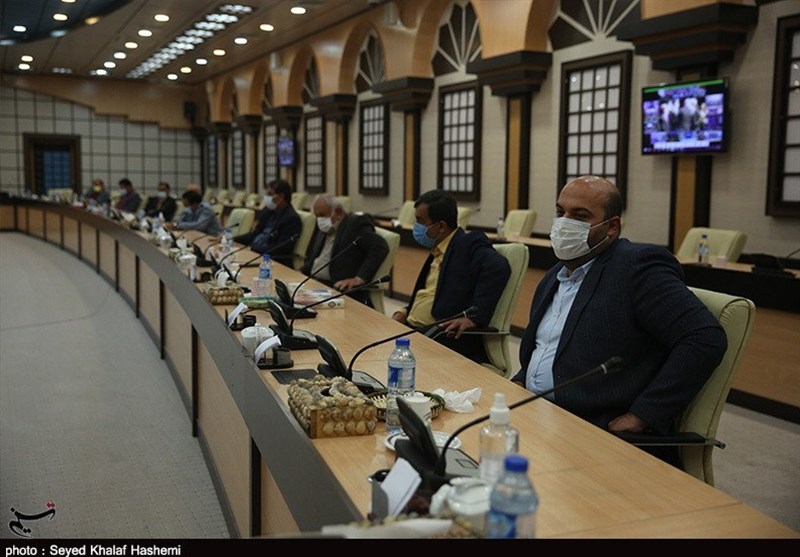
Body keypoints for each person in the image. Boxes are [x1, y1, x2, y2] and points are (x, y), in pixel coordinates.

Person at [511, 175, 727, 466]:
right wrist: (520, 383)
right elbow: (546, 346)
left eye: (580, 216)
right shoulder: (554, 276)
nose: (564, 223)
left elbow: (704, 336)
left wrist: (642, 415)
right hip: (534, 414)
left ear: (612, 226)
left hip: (591, 429)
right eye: (561, 212)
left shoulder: (637, 267)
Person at [391, 190, 511, 364]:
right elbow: (432, 293)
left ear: (441, 226)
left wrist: (474, 317)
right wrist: (405, 312)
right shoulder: (438, 249)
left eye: (420, 221)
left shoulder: (468, 243)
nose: (416, 227)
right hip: (414, 332)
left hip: (441, 339)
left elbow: (498, 267)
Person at [301, 194, 389, 306]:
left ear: (338, 212)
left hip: (337, 290)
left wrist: (359, 278)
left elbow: (380, 247)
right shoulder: (325, 228)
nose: (319, 220)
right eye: (317, 216)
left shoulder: (355, 224)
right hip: (314, 284)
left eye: (322, 215)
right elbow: (315, 259)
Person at [233, 179, 302, 266]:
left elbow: (282, 248)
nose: (266, 198)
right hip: (255, 254)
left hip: (272, 261)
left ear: (281, 197)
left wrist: (254, 249)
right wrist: (233, 239)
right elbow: (255, 233)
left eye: (270, 194)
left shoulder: (291, 219)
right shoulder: (267, 211)